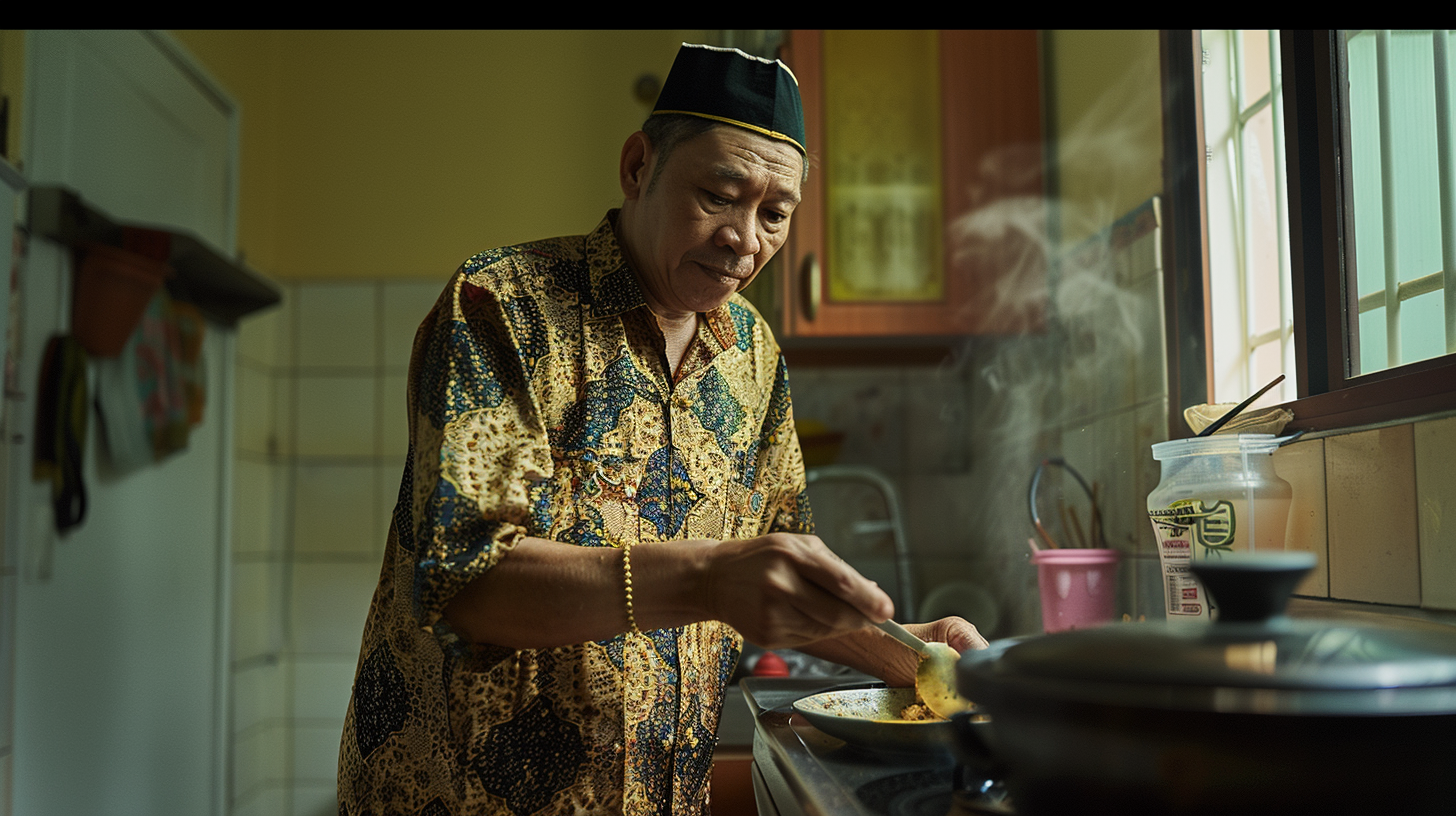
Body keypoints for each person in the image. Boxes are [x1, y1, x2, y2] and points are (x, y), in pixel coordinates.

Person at [337, 43, 986, 816]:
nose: (745, 239)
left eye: (774, 214)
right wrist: (711, 576)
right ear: (638, 165)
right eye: (719, 195)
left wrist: (915, 652)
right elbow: (466, 584)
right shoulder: (502, 305)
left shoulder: (752, 353)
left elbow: (782, 588)